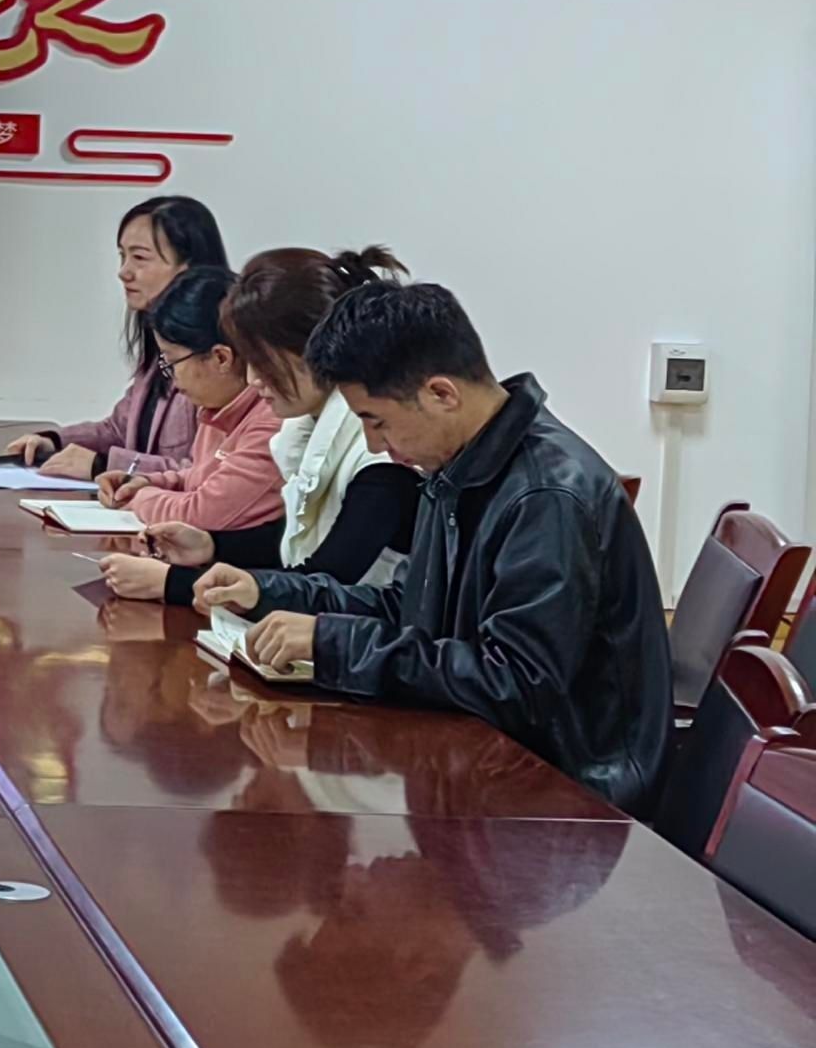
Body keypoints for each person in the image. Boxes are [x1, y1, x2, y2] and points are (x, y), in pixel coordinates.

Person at [196, 282, 673, 817]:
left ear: (441, 394)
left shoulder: (546, 496)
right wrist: (267, 591)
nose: (376, 445)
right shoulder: (458, 468)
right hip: (485, 767)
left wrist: (333, 644)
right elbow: (409, 607)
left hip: (570, 799)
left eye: (376, 421)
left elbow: (515, 683)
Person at [100, 248, 420, 606]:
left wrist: (176, 583)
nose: (253, 379)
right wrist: (211, 546)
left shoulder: (380, 454)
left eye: (263, 362)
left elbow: (325, 582)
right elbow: (291, 542)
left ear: (313, 351)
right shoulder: (308, 426)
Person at [4, 195, 227, 478]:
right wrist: (55, 442)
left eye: (140, 258)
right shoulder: (159, 348)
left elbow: (205, 473)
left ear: (188, 268)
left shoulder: (216, 362)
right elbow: (119, 430)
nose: (123, 272)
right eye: (122, 256)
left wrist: (105, 465)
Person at [89, 266, 281, 552]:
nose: (172, 380)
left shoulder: (271, 421)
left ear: (221, 358)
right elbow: (197, 477)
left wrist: (137, 499)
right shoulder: (217, 409)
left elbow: (201, 513)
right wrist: (145, 482)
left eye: (172, 362)